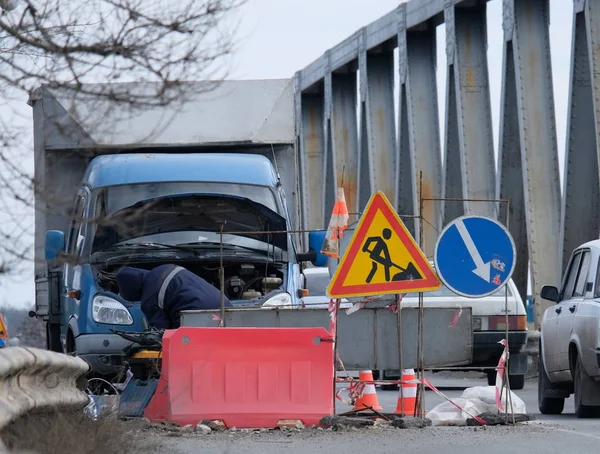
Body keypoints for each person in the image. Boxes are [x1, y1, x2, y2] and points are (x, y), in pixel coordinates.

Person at [116, 264, 231, 330]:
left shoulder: (149, 295)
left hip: (195, 316)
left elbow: (161, 330)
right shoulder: (164, 268)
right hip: (225, 306)